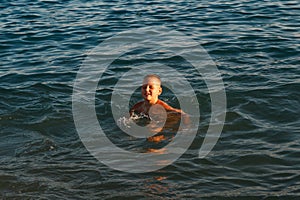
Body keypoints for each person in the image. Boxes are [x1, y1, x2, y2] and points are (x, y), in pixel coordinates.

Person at [130, 74, 190, 144]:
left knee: (152, 139)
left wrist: (186, 130)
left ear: (159, 91)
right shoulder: (138, 106)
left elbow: (183, 114)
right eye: (144, 87)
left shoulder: (162, 108)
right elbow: (127, 117)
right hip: (151, 124)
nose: (147, 90)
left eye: (151, 87)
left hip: (167, 127)